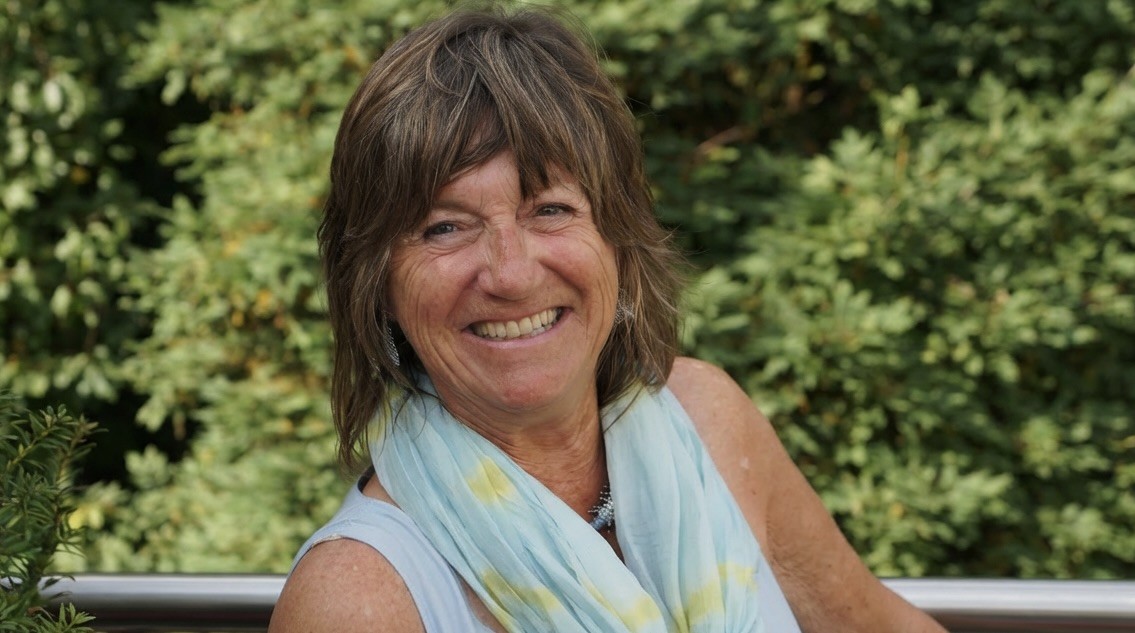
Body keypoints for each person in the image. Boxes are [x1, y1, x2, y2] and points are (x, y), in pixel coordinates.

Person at [269, 6, 947, 632]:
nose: (511, 273)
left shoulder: (708, 420)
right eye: (445, 226)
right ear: (377, 283)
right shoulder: (355, 599)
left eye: (550, 210)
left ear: (618, 240)